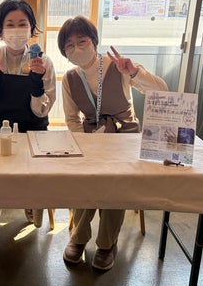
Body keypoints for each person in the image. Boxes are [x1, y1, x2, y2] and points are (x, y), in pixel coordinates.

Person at [57, 15, 168, 271]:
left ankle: (107, 244)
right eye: (69, 45)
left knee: (115, 184)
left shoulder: (119, 67)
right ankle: (78, 237)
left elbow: (161, 91)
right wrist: (86, 146)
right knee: (82, 182)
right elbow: (72, 119)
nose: (76, 48)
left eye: (82, 41)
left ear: (94, 41)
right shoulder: (70, 78)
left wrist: (134, 72)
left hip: (124, 140)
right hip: (89, 141)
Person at [0, 0, 56, 266]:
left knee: (35, 174)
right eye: (10, 24)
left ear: (31, 28)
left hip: (32, 131)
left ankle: (31, 203)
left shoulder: (43, 62)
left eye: (22, 23)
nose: (16, 29)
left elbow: (42, 112)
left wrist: (37, 86)